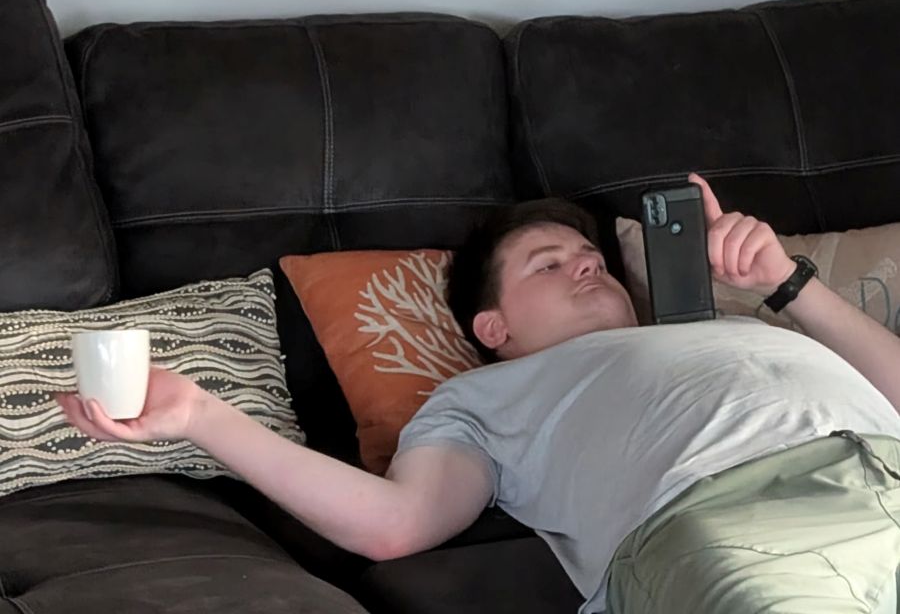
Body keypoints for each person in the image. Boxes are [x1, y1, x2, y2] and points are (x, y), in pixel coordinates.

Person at [58, 173, 900, 614]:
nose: (585, 263)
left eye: (591, 258)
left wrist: (789, 285)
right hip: (732, 529)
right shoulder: (480, 400)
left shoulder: (748, 325)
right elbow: (396, 526)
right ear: (493, 328)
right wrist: (202, 416)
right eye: (549, 263)